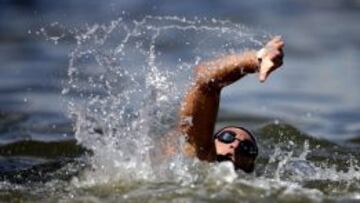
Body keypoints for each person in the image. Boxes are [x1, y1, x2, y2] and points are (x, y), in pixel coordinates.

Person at [177, 36, 284, 173]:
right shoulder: (194, 152)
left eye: (246, 148)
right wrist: (256, 59)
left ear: (250, 166)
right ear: (213, 141)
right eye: (227, 137)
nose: (234, 145)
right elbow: (206, 80)